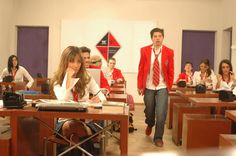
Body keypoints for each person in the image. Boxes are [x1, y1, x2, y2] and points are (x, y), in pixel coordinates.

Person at [51, 46, 106, 155]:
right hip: (65, 122)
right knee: (73, 125)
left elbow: (103, 97)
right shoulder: (58, 80)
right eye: (72, 61)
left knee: (76, 133)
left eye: (78, 62)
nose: (76, 65)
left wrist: (97, 99)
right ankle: (90, 151)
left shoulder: (87, 77)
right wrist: (68, 79)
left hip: (86, 121)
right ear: (65, 62)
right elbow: (63, 99)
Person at [137, 27, 174, 147]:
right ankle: (150, 123)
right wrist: (139, 85)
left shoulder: (169, 51)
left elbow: (171, 70)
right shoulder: (144, 50)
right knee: (149, 109)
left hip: (162, 86)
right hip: (148, 85)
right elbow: (141, 68)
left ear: (163, 37)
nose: (157, 38)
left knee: (162, 113)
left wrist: (169, 86)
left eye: (160, 36)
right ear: (152, 38)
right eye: (155, 36)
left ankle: (158, 137)